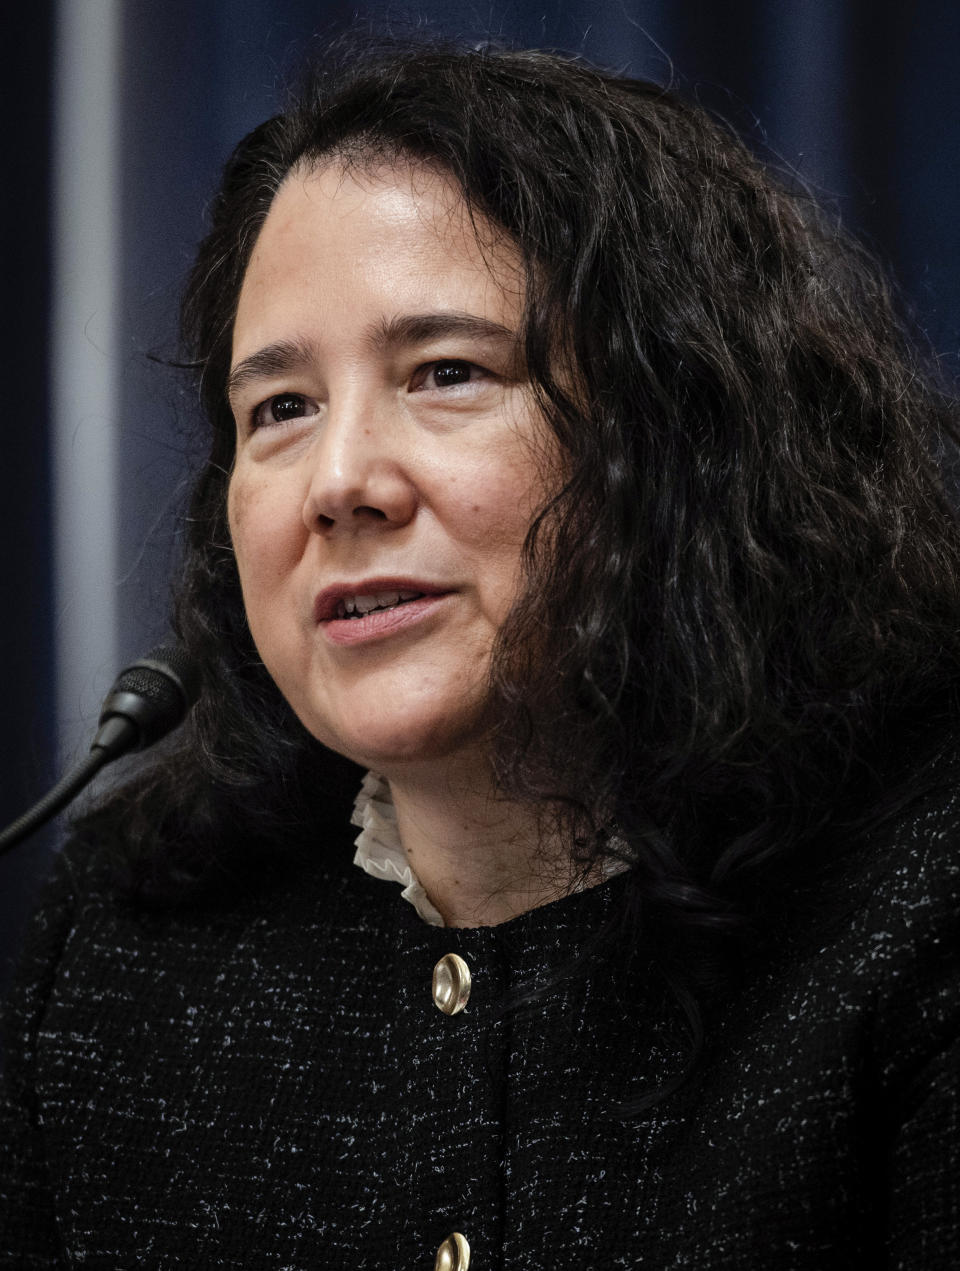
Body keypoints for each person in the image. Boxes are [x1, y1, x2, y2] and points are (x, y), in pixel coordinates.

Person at [2, 37, 959, 1269]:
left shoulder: (919, 895)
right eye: (280, 408)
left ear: (681, 438)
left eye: (446, 372)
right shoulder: (122, 934)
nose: (340, 482)